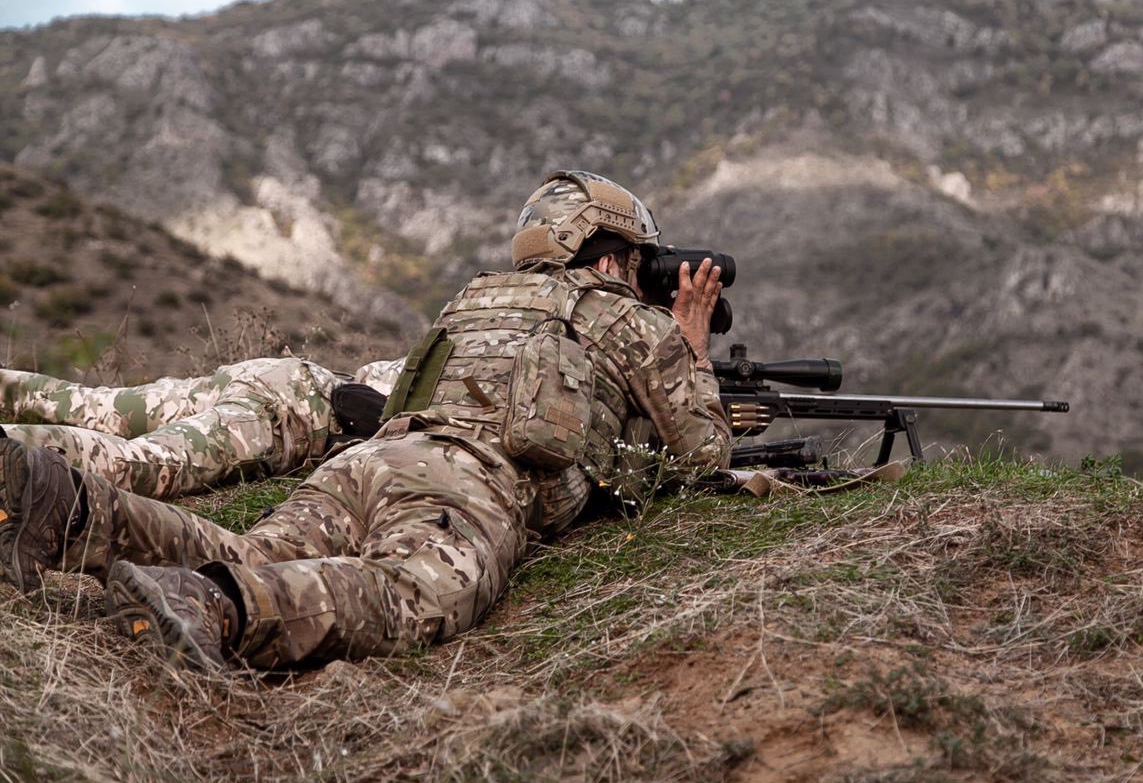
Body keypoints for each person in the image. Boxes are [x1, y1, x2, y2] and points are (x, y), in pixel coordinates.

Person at [0, 170, 730, 671]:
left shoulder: (473, 300)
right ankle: (218, 608)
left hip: (367, 459)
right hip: (467, 482)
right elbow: (703, 456)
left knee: (251, 548)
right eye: (639, 262)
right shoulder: (631, 321)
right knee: (416, 591)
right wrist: (690, 345)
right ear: (611, 259)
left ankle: (62, 501)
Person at [0, 357, 405, 500]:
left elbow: (366, 377)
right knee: (144, 462)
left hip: (278, 375)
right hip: (279, 417)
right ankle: (12, 449)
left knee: (90, 403)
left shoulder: (428, 369)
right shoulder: (435, 412)